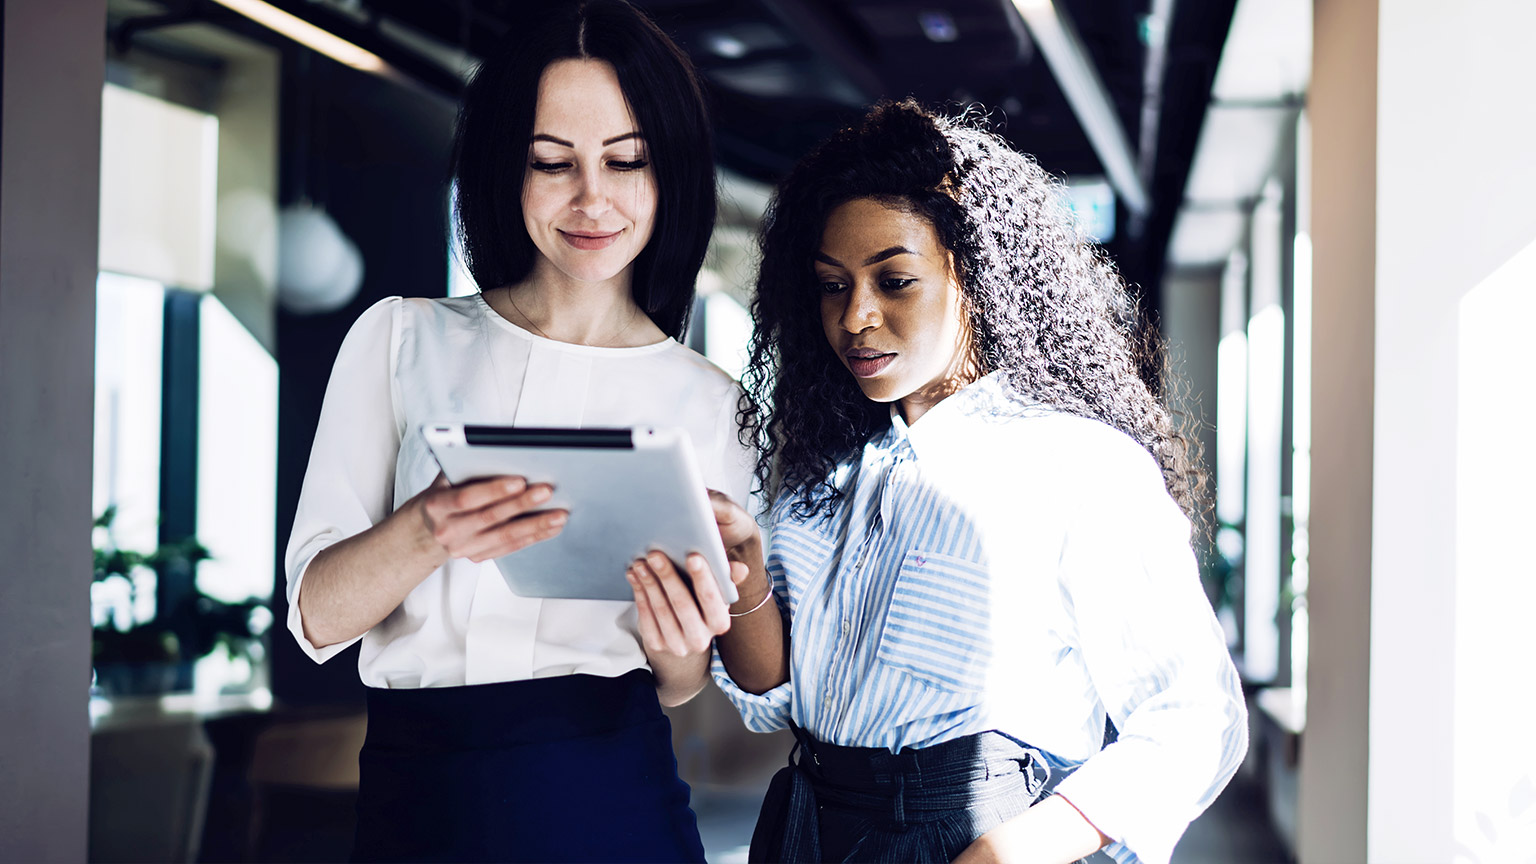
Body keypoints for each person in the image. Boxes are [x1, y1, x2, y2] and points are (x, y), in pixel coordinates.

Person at [650, 100, 1249, 864]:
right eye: (833, 286)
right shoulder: (821, 475)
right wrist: (745, 574)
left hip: (977, 828)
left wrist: (1027, 846)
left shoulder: (1077, 466)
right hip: (808, 821)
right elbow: (776, 698)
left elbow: (1195, 714)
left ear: (974, 276)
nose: (856, 316)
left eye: (894, 281)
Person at [283, 2, 755, 860]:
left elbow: (682, 686)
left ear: (670, 172)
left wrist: (679, 650)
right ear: (509, 167)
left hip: (613, 796)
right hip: (418, 795)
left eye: (627, 162)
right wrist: (425, 530)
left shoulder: (713, 404)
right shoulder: (399, 339)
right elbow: (316, 617)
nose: (592, 199)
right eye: (552, 162)